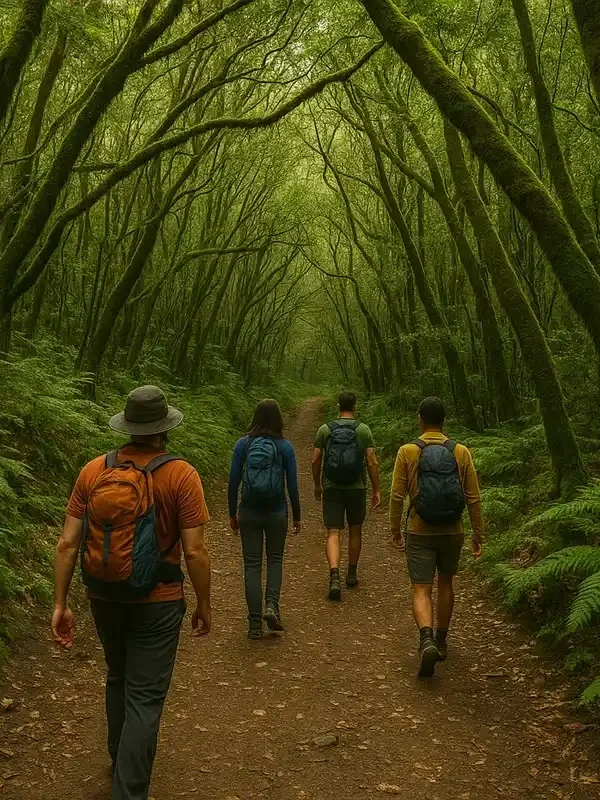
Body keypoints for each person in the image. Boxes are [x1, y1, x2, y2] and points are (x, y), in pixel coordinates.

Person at [51, 385, 211, 800]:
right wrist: (204, 604)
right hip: (157, 601)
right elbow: (194, 549)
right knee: (145, 696)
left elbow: (68, 543)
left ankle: (118, 755)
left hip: (103, 595)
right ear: (164, 429)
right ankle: (129, 789)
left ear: (128, 425)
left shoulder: (93, 471)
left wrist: (60, 603)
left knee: (119, 676)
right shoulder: (181, 475)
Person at [390, 396, 484, 678]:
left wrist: (394, 529)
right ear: (444, 421)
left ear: (420, 419)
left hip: (420, 529)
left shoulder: (407, 451)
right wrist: (478, 533)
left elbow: (397, 495)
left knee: (421, 588)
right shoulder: (461, 452)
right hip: (452, 530)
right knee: (446, 583)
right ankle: (442, 640)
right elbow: (473, 497)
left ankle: (426, 639)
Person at [228, 399, 301, 639]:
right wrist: (297, 517)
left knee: (251, 565)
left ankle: (254, 624)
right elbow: (292, 486)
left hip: (248, 510)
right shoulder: (285, 447)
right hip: (276, 511)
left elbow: (233, 482)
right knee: (275, 560)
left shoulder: (243, 444)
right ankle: (272, 606)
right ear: (279, 419)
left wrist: (232, 513)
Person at [312, 391, 380, 601]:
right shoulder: (363, 430)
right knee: (355, 530)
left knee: (333, 532)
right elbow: (371, 461)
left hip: (332, 486)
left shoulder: (325, 429)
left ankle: (334, 576)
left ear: (339, 406)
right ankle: (351, 573)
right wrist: (376, 489)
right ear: (355, 406)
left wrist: (317, 485)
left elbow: (315, 460)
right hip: (356, 487)